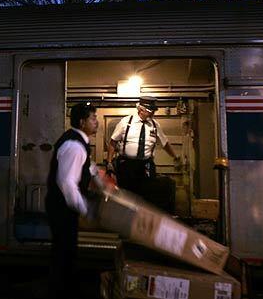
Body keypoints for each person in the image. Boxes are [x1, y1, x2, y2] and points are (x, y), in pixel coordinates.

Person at [45, 102, 111, 299]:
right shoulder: (74, 146)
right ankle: (60, 291)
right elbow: (67, 184)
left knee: (66, 250)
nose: (96, 122)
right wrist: (87, 210)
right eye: (92, 118)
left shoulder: (78, 142)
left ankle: (63, 288)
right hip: (62, 208)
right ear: (82, 122)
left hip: (62, 207)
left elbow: (88, 167)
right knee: (64, 252)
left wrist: (101, 182)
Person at [105, 96, 180, 211]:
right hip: (127, 164)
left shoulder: (154, 125)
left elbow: (165, 143)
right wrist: (109, 162)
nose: (152, 114)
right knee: (126, 193)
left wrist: (175, 156)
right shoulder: (126, 122)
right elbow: (113, 142)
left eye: (154, 111)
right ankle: (125, 218)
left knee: (147, 193)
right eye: (150, 111)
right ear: (140, 109)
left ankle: (143, 219)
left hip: (146, 164)